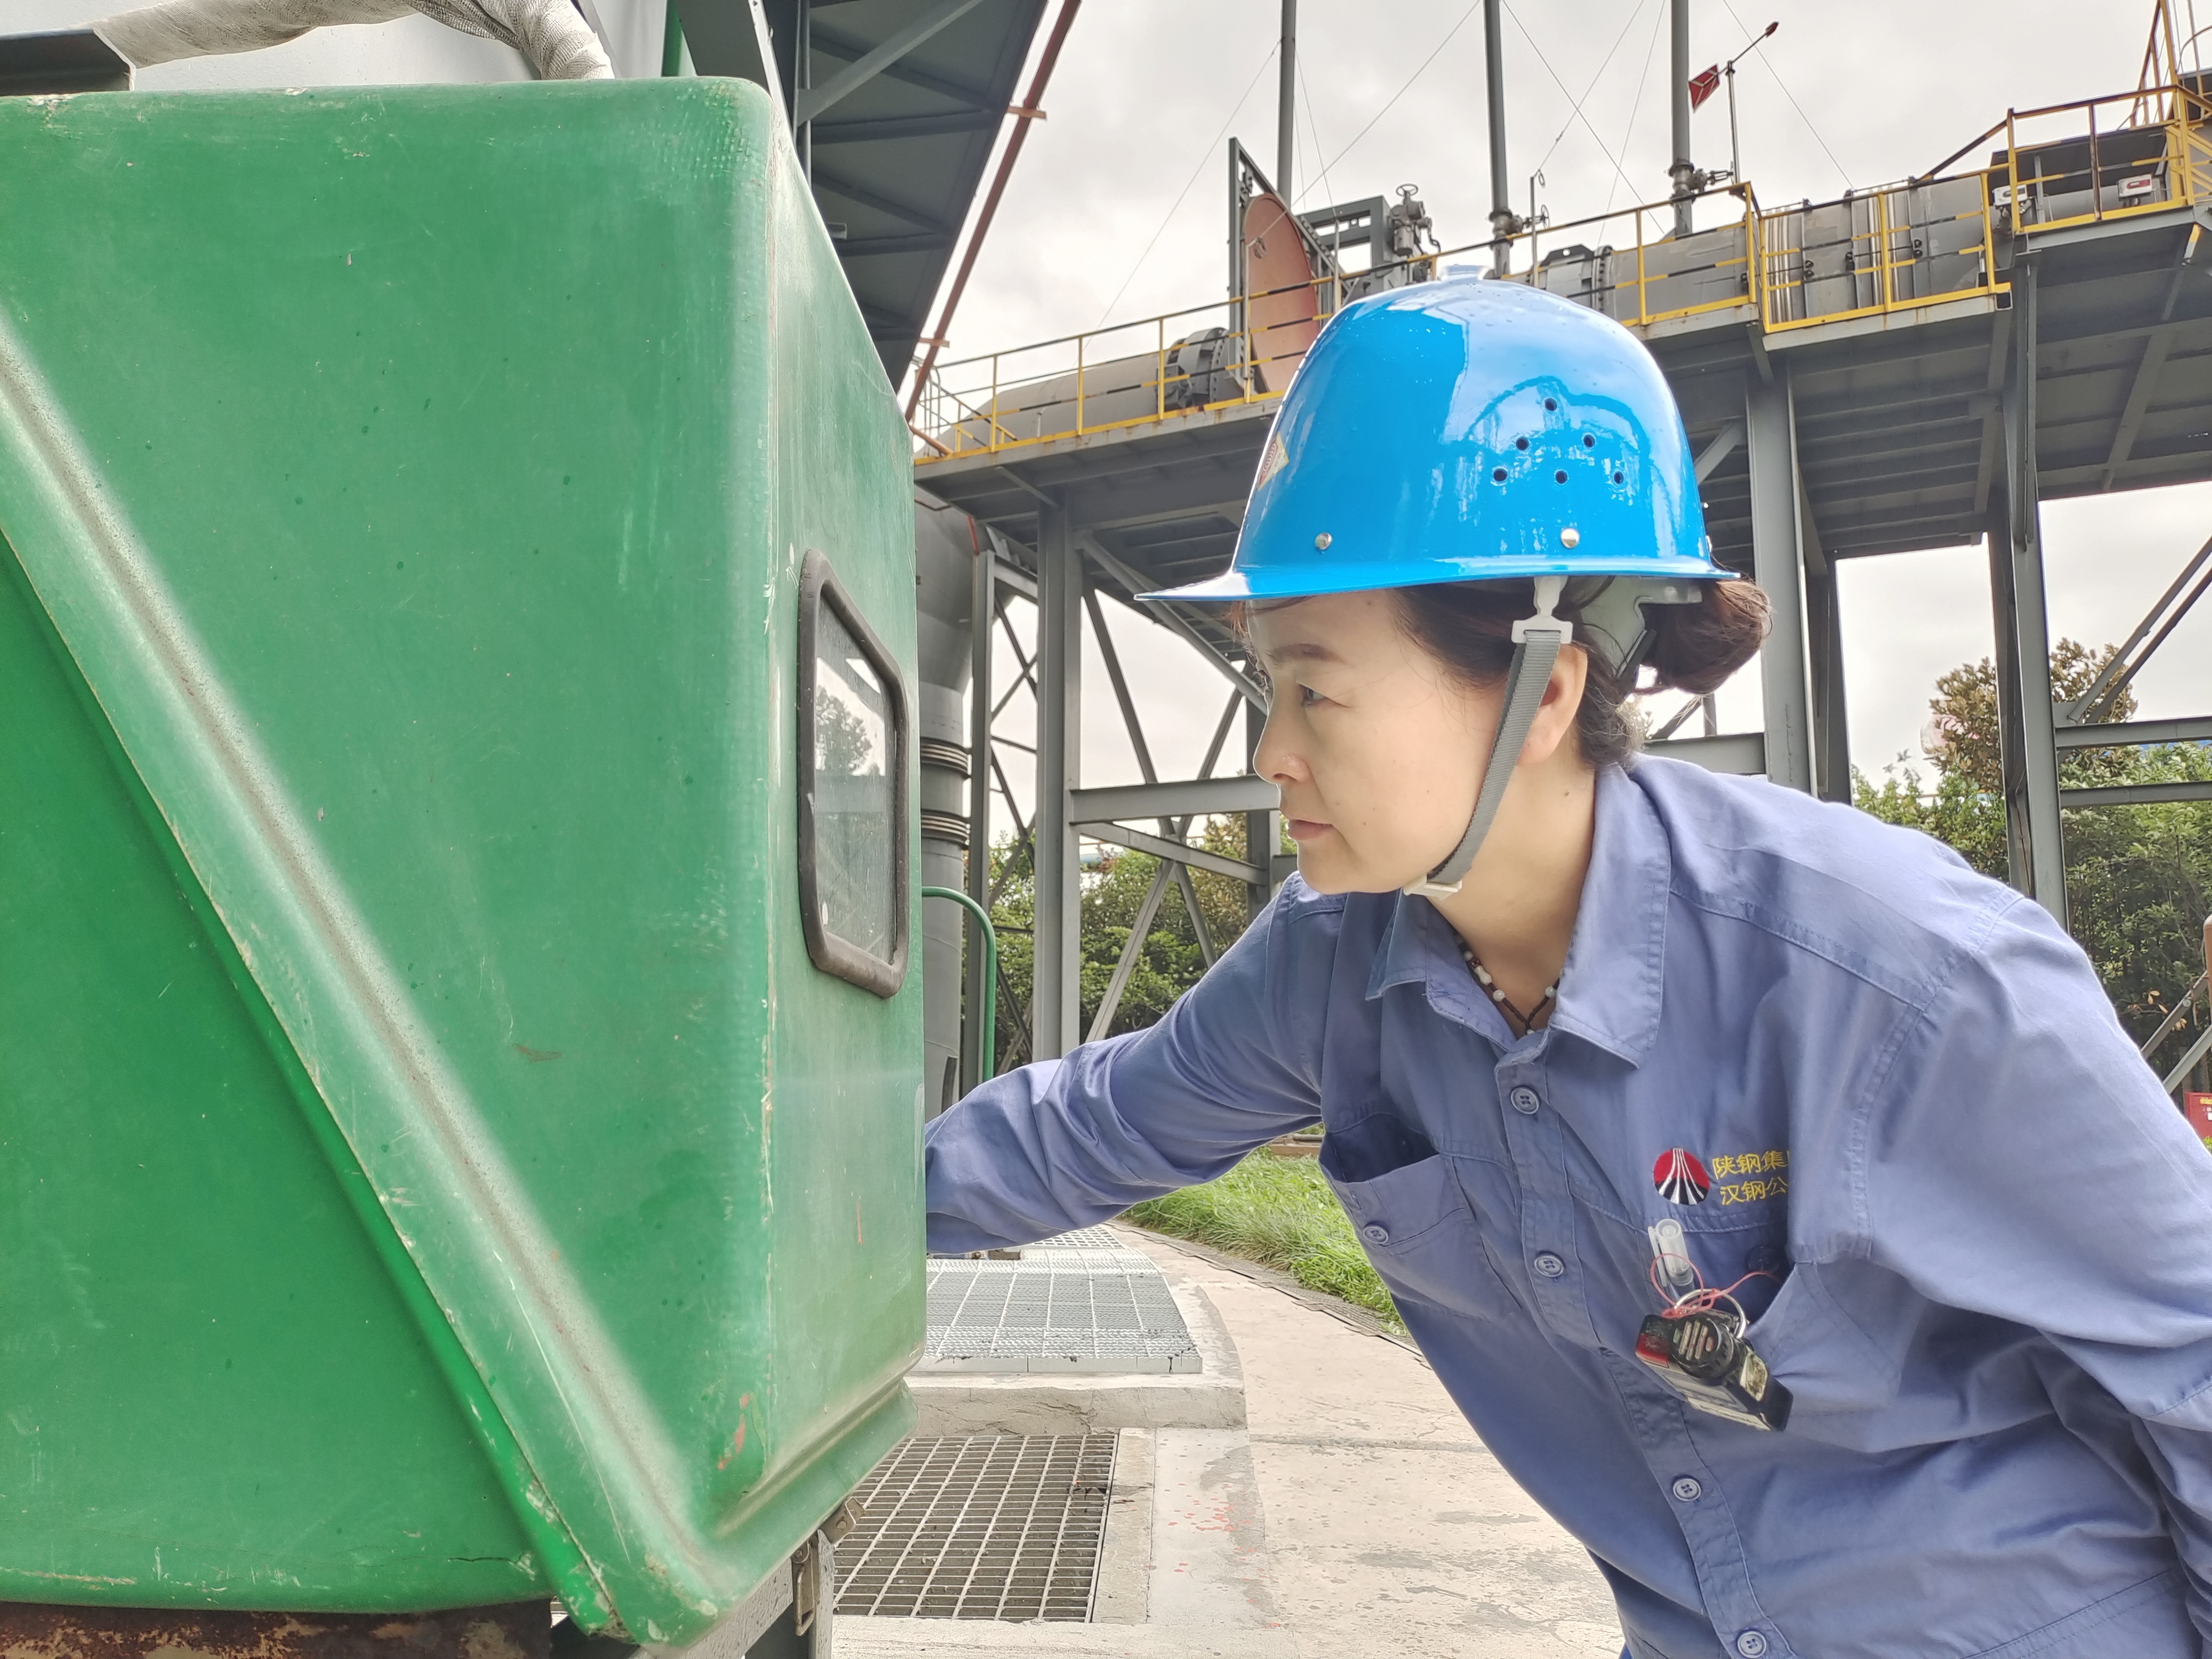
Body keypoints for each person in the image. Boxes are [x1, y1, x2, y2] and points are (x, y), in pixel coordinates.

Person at [924, 279, 2212, 1659]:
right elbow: (1091, 1125)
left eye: (1314, 688)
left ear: (1540, 691)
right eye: (1264, 690)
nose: (1269, 754)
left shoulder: (1896, 977)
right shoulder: (1329, 968)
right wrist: (748, 1221)